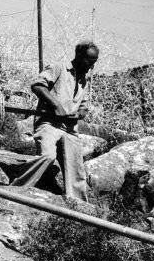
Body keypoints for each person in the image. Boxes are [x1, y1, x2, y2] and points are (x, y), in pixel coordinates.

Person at [11, 41, 99, 201]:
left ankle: (77, 206)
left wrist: (79, 114)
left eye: (94, 63)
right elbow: (38, 85)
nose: (91, 67)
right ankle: (16, 189)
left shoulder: (83, 81)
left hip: (70, 129)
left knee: (76, 169)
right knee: (48, 157)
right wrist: (56, 104)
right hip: (49, 123)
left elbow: (84, 106)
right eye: (89, 61)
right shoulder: (59, 68)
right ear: (79, 56)